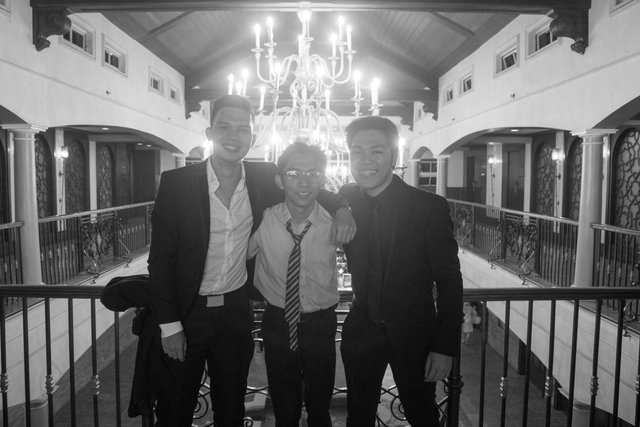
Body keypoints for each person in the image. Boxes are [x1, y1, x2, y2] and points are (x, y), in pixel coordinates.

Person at [147, 95, 355, 427]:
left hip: (234, 313)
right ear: (210, 133)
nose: (233, 136)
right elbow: (160, 260)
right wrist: (170, 325)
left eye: (242, 129)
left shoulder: (262, 177)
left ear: (253, 136)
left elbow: (310, 186)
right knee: (174, 410)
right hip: (188, 312)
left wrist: (342, 208)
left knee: (231, 409)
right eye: (224, 127)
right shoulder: (177, 184)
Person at [339, 116, 463, 427]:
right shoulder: (347, 198)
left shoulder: (428, 206)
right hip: (361, 328)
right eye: (357, 152)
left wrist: (444, 348)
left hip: (415, 334)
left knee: (422, 415)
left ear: (394, 155)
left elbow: (449, 282)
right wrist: (339, 207)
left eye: (377, 151)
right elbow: (319, 195)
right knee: (358, 415)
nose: (365, 160)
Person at [248, 142, 338, 427]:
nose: (304, 182)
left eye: (313, 173)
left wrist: (344, 208)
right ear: (279, 180)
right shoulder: (263, 220)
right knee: (284, 410)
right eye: (294, 173)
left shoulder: (334, 223)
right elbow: (232, 258)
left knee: (320, 408)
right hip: (277, 323)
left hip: (320, 324)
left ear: (322, 179)